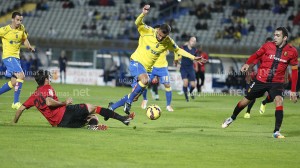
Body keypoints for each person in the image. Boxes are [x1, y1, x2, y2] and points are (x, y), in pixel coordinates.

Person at [109, 5, 205, 114]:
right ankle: (128, 102)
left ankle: (112, 107)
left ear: (167, 35)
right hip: (136, 62)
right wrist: (143, 14)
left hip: (148, 70)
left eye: (163, 37)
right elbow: (137, 23)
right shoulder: (148, 31)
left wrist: (193, 58)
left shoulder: (168, 41)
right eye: (159, 35)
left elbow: (178, 50)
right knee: (144, 82)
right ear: (158, 30)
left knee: (135, 96)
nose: (160, 38)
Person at [222, 27, 298, 138]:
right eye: (274, 35)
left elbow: (295, 71)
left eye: (278, 35)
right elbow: (256, 55)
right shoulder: (267, 46)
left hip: (277, 83)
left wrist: (293, 91)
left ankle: (276, 132)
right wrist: (248, 63)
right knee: (244, 102)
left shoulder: (292, 51)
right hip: (260, 80)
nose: (275, 37)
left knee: (279, 101)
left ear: (285, 38)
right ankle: (232, 118)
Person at [13, 70, 135, 130]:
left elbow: (20, 109)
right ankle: (123, 119)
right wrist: (64, 103)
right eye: (48, 76)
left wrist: (14, 124)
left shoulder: (34, 95)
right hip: (65, 113)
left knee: (93, 117)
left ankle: (92, 127)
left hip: (60, 125)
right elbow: (49, 101)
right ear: (45, 79)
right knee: (92, 107)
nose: (50, 78)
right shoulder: (47, 88)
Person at [0, 12, 35, 110]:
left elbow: (25, 39)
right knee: (21, 75)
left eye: (20, 20)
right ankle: (15, 102)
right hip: (8, 57)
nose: (19, 22)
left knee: (14, 82)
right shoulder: (5, 30)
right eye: (17, 20)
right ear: (12, 19)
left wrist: (29, 47)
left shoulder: (22, 28)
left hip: (16, 58)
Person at [177, 37, 198, 102]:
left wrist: (196, 66)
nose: (193, 42)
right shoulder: (184, 47)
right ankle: (186, 98)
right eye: (192, 41)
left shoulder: (195, 50)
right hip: (183, 67)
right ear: (189, 41)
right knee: (185, 83)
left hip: (191, 68)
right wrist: (178, 63)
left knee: (193, 85)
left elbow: (195, 59)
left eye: (194, 41)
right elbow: (178, 53)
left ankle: (191, 92)